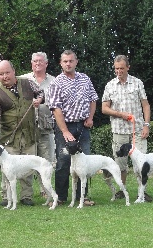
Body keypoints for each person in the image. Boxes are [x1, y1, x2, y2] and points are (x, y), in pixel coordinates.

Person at [0, 60, 44, 207]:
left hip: (29, 134)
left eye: (7, 72)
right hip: (9, 138)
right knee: (7, 170)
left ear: (13, 71)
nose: (4, 76)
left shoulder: (27, 83)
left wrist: (39, 100)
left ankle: (27, 196)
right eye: (1, 74)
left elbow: (41, 92)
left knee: (28, 168)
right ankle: (6, 196)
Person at [49, 50, 98, 206]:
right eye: (65, 61)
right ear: (61, 63)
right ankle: (61, 197)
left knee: (84, 161)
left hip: (83, 125)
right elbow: (56, 109)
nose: (68, 64)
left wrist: (90, 117)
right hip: (65, 126)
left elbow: (93, 99)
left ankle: (82, 197)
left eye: (71, 61)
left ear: (76, 62)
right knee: (63, 161)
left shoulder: (85, 79)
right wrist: (64, 131)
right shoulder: (56, 82)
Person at [101, 55, 152, 202]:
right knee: (120, 164)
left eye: (121, 68)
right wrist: (120, 114)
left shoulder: (137, 83)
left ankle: (142, 192)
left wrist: (146, 125)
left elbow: (145, 105)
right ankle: (122, 190)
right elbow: (104, 108)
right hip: (119, 130)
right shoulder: (110, 85)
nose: (118, 71)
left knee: (141, 162)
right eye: (116, 69)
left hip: (137, 130)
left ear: (128, 68)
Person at [20, 52, 56, 197]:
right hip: (27, 128)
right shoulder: (23, 79)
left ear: (46, 64)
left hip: (46, 126)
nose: (37, 64)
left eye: (41, 61)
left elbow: (57, 102)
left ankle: (45, 191)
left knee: (46, 160)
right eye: (35, 61)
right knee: (27, 161)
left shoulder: (54, 81)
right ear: (31, 63)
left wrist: (43, 100)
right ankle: (26, 194)